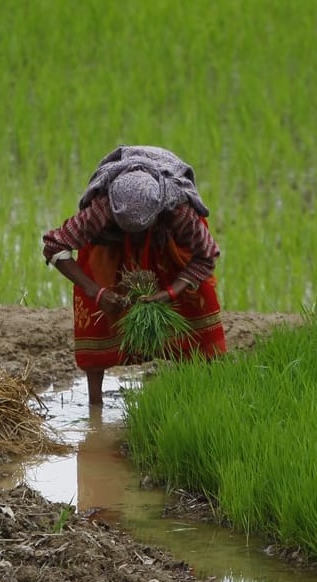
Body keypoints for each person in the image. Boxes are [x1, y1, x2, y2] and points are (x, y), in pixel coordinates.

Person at [42, 145, 227, 406]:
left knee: (197, 301)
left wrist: (172, 291)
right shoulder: (102, 209)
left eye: (142, 230)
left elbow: (206, 255)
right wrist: (97, 292)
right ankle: (96, 405)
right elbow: (54, 246)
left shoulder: (177, 209)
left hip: (166, 242)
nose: (137, 237)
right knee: (95, 311)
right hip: (111, 244)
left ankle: (209, 394)